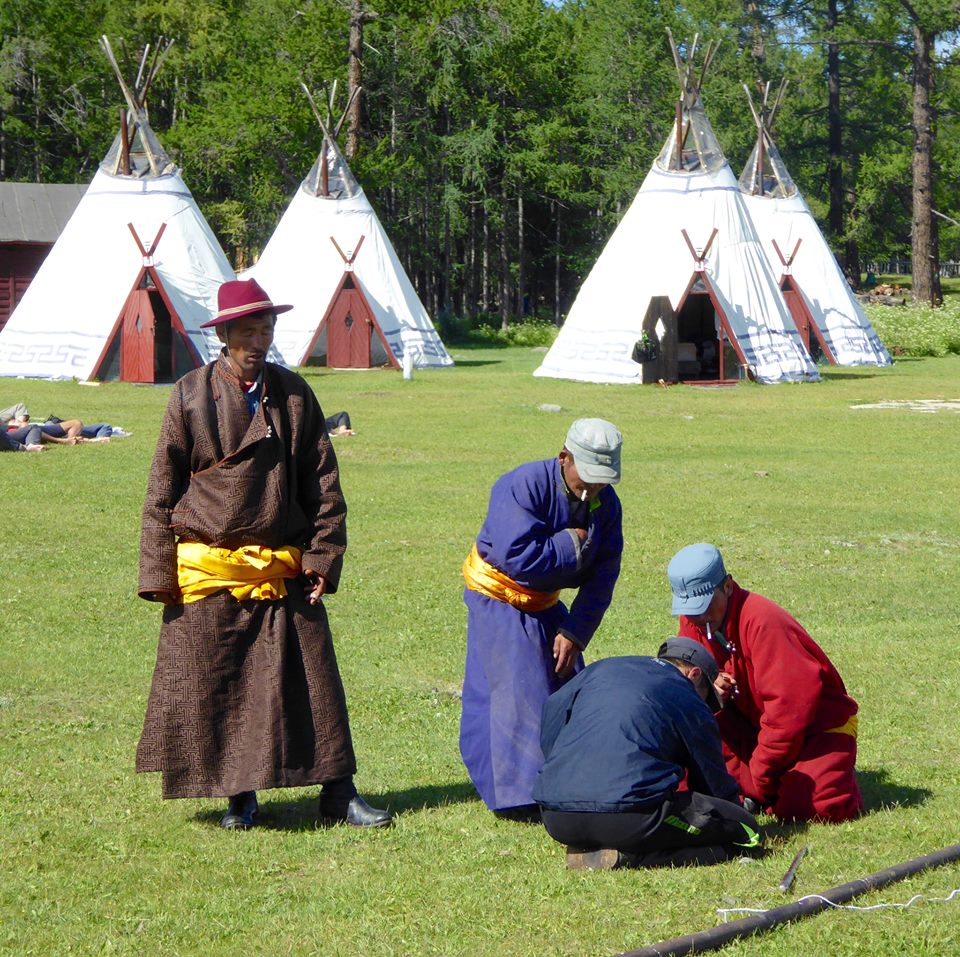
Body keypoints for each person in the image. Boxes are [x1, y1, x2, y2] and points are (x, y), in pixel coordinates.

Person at [136, 277, 391, 831]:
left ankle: (338, 792)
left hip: (282, 567)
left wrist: (322, 557)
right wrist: (160, 571)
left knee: (314, 684)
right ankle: (239, 796)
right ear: (224, 334)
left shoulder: (295, 394)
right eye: (248, 330)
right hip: (212, 569)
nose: (258, 341)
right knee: (220, 682)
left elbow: (323, 484)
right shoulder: (189, 395)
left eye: (266, 328)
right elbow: (162, 489)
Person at [459, 418, 624, 818]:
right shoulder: (521, 485)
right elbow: (517, 557)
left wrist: (575, 630)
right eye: (587, 478)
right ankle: (518, 798)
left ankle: (563, 778)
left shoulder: (606, 503)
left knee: (566, 680)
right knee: (518, 691)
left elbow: (603, 576)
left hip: (547, 602)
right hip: (500, 597)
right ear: (564, 457)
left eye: (603, 482)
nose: (592, 490)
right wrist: (570, 545)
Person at [668, 543, 863, 823]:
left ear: (728, 586)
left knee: (815, 807)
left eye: (706, 606)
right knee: (695, 766)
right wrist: (710, 688)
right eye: (691, 610)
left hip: (813, 730)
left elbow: (791, 710)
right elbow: (687, 689)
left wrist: (759, 777)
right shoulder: (694, 622)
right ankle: (758, 789)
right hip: (751, 727)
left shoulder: (763, 622)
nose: (701, 618)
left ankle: (769, 787)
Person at [534, 638, 761, 869]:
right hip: (627, 819)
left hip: (556, 818)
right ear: (694, 674)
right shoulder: (686, 694)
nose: (704, 704)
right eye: (706, 697)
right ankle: (631, 856)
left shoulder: (602, 668)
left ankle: (597, 847)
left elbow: (552, 709)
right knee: (746, 831)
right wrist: (732, 811)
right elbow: (712, 784)